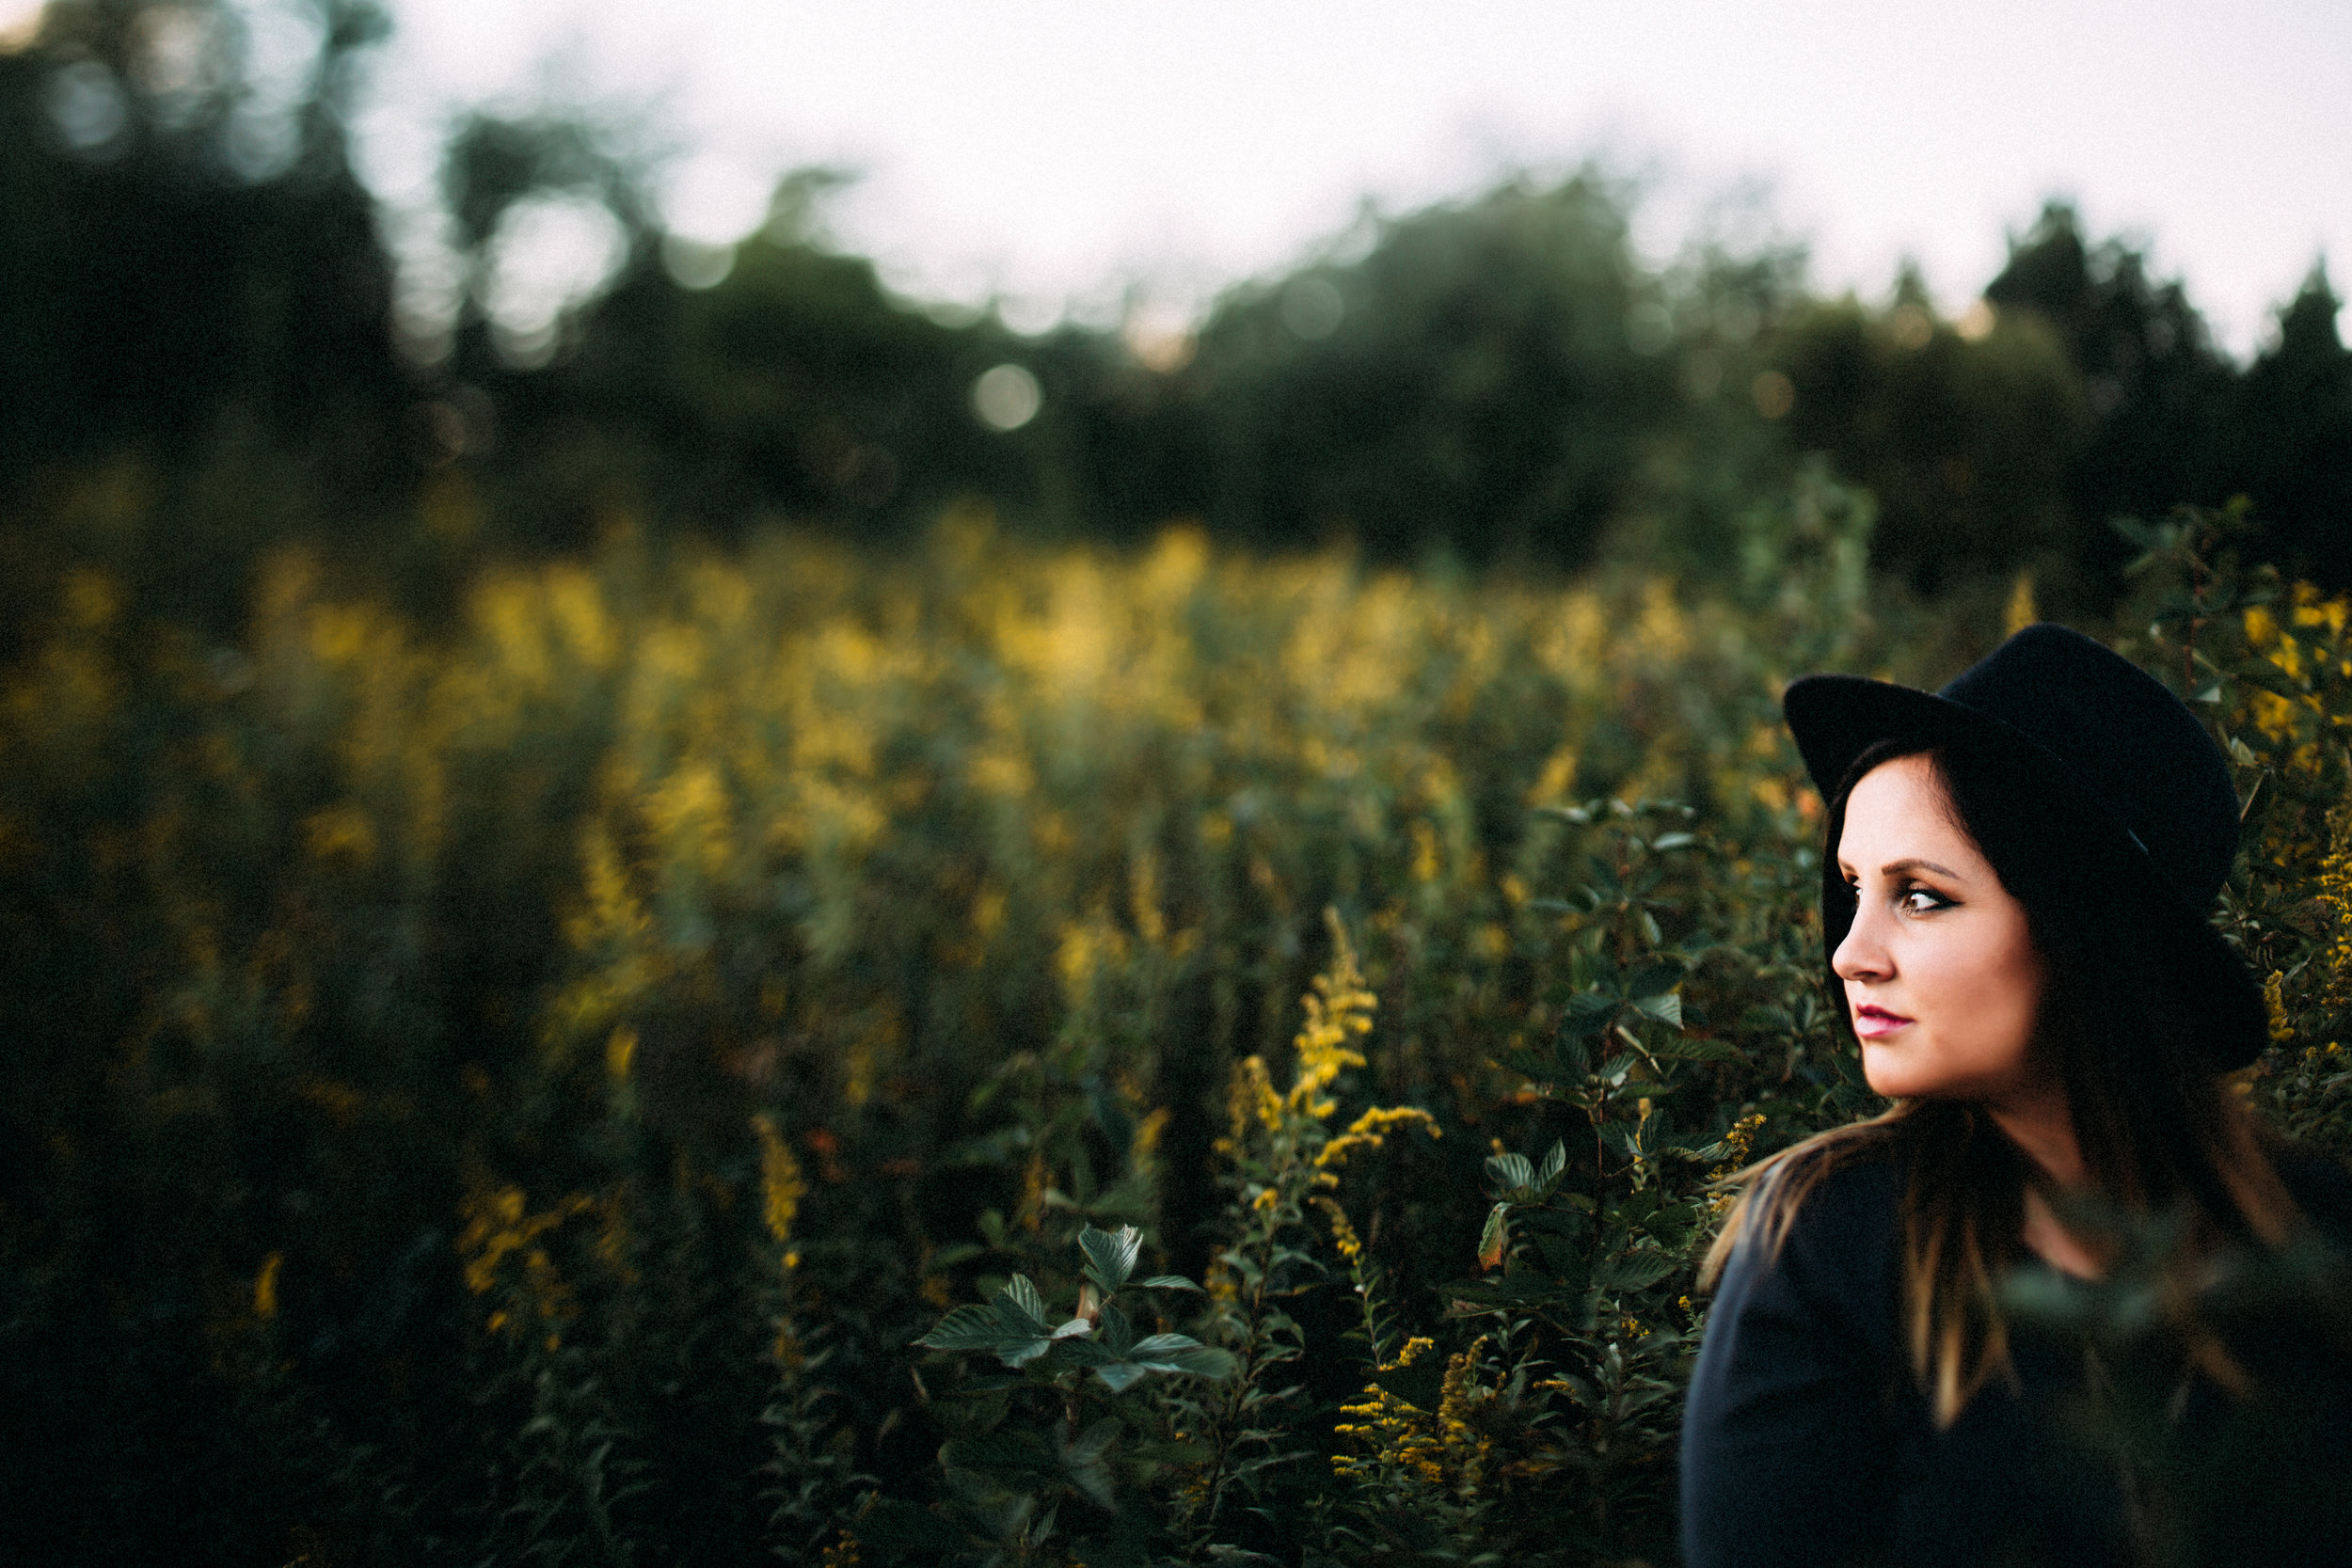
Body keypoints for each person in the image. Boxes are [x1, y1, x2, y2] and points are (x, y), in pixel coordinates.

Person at [1679, 623, 2352, 1568]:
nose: (1848, 952)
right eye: (1852, 886)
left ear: (2079, 933)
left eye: (1920, 894)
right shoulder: (1829, 1243)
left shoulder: (2312, 1246)